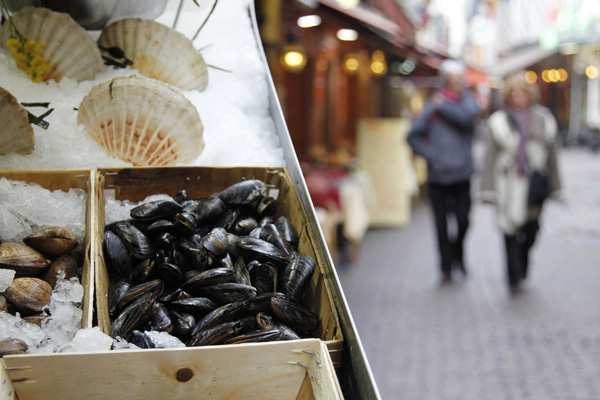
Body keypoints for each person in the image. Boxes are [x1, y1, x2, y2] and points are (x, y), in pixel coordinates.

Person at [480, 72, 561, 292]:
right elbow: (489, 158)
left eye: (522, 91)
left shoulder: (543, 119)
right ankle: (513, 275)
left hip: (534, 182)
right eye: (514, 92)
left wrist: (556, 187)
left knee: (531, 229)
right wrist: (487, 189)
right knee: (509, 229)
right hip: (507, 183)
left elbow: (553, 155)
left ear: (529, 94)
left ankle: (523, 263)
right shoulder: (498, 121)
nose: (518, 95)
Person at [407, 59, 480, 283]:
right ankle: (446, 266)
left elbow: (466, 119)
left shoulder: (468, 102)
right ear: (445, 82)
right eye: (453, 80)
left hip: (461, 174)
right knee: (440, 225)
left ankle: (458, 254)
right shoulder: (432, 106)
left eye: (460, 80)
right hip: (438, 176)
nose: (457, 84)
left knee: (464, 220)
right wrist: (432, 155)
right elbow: (413, 135)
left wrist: (442, 106)